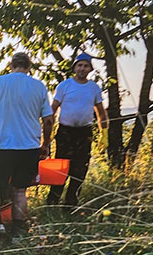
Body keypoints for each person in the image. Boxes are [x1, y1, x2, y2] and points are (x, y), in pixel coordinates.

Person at [0, 52, 54, 240]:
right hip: (29, 146)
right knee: (20, 190)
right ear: (29, 67)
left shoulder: (0, 82)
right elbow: (49, 120)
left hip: (1, 146)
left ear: (11, 65)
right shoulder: (39, 86)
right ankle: (18, 235)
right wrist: (45, 144)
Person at [46, 53, 108, 207]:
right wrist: (46, 134)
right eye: (79, 65)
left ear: (90, 69)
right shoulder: (65, 86)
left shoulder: (94, 88)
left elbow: (101, 112)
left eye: (85, 66)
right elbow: (52, 110)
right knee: (61, 169)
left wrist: (104, 135)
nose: (82, 68)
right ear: (74, 68)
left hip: (84, 133)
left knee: (80, 170)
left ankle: (71, 204)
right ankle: (52, 203)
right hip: (65, 133)